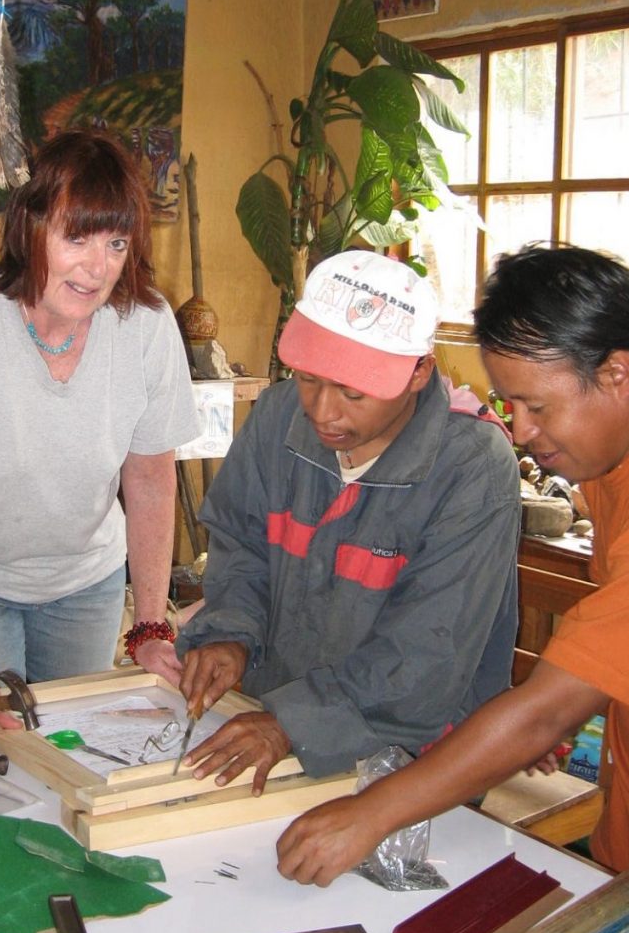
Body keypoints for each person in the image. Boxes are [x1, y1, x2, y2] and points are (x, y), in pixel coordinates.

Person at [277, 244, 629, 887]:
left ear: (618, 374)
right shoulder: (624, 461)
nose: (519, 432)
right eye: (508, 404)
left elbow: (545, 712)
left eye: (537, 407)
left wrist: (370, 813)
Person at [132, 248, 521, 794]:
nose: (322, 411)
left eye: (353, 392)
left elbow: (428, 653)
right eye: (309, 379)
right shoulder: (277, 417)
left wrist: (294, 723)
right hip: (275, 721)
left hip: (415, 759)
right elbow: (242, 550)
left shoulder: (472, 467)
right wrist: (232, 637)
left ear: (418, 373)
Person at [0, 129, 199, 733]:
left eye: (115, 242)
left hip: (85, 582)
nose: (97, 266)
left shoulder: (147, 328)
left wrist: (151, 626)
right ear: (30, 229)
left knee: (68, 743)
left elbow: (151, 480)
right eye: (75, 237)